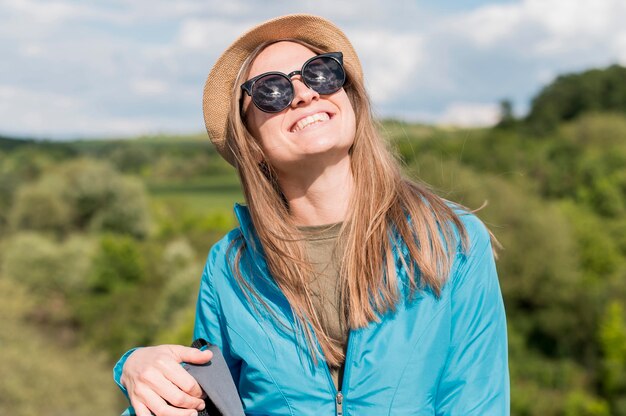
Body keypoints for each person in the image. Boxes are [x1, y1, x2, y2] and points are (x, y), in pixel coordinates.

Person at [114, 14, 510, 416]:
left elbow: (478, 403)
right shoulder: (230, 267)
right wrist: (135, 369)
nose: (304, 94)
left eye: (320, 74)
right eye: (271, 91)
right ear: (250, 143)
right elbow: (205, 404)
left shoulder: (449, 240)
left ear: (350, 98)